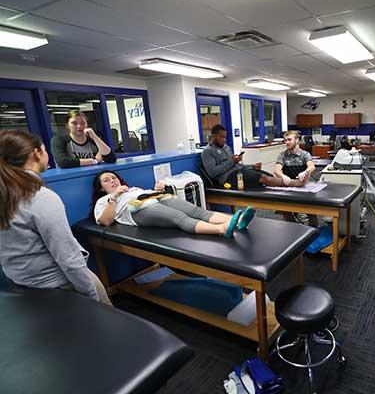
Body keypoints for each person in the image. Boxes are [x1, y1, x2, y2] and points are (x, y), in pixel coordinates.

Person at [0, 129, 111, 305]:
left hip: (21, 285)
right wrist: (93, 299)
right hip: (59, 285)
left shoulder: (7, 195)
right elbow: (69, 259)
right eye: (44, 150)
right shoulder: (39, 196)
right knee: (107, 316)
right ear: (35, 154)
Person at [92, 171, 256, 238]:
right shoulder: (102, 201)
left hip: (155, 197)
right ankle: (221, 229)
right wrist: (114, 196)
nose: (112, 181)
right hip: (138, 210)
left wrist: (156, 188)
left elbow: (147, 193)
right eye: (107, 180)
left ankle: (237, 220)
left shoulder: (132, 188)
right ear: (101, 187)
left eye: (114, 178)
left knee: (197, 211)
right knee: (179, 218)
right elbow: (106, 221)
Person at [201, 124, 302, 189]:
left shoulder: (226, 148)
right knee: (264, 178)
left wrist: (252, 166)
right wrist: (232, 162)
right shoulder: (207, 152)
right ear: (213, 136)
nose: (224, 140)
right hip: (227, 178)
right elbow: (213, 173)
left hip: (238, 172)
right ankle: (295, 183)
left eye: (225, 137)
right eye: (221, 137)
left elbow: (237, 166)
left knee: (269, 175)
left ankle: (289, 187)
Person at [274, 130, 318, 227]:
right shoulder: (282, 155)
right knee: (285, 210)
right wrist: (282, 176)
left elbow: (312, 166)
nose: (287, 142)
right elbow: (277, 170)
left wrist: (305, 172)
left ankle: (313, 232)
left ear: (297, 140)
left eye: (289, 140)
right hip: (288, 186)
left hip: (303, 186)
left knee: (311, 211)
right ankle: (294, 229)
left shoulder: (305, 154)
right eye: (285, 140)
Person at [51, 110, 116, 168]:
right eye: (74, 123)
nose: (79, 126)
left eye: (83, 123)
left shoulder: (93, 140)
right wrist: (94, 161)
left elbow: (111, 159)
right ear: (67, 125)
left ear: (87, 124)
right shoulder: (59, 140)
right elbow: (63, 162)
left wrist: (95, 137)